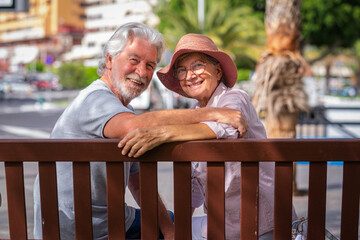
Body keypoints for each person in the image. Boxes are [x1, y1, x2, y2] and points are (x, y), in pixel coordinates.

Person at [33, 24, 248, 240]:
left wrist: (169, 230)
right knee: (190, 228)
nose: (142, 72)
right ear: (109, 60)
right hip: (83, 230)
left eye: (150, 65)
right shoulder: (95, 100)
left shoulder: (123, 110)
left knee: (179, 226)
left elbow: (138, 185)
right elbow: (136, 127)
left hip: (106, 222)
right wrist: (214, 113)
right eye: (134, 60)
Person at [118, 33, 298, 239]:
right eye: (182, 70)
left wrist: (162, 134)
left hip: (262, 224)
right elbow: (196, 183)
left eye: (197, 66)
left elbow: (228, 129)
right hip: (224, 224)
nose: (189, 75)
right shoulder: (196, 111)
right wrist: (176, 229)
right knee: (162, 230)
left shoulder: (234, 98)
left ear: (218, 71)